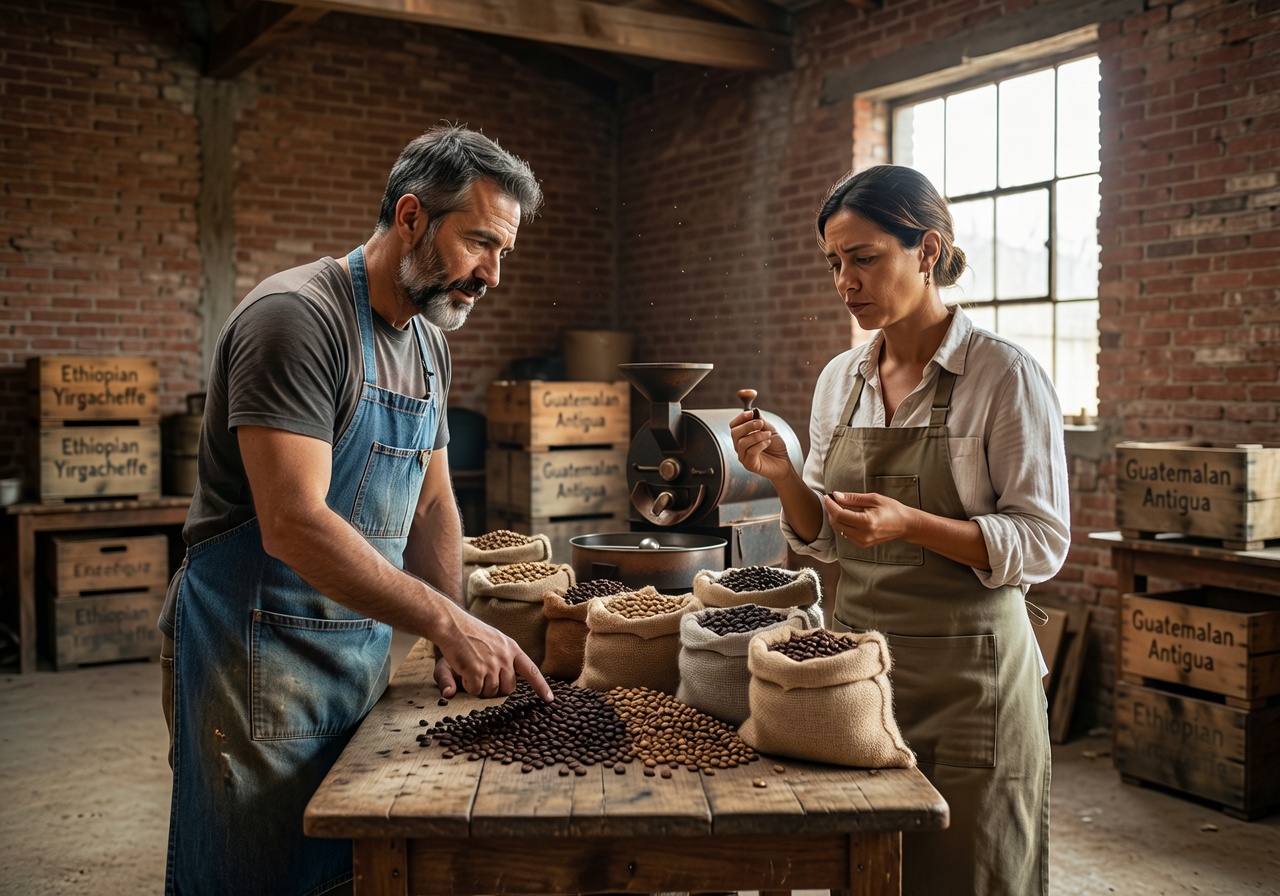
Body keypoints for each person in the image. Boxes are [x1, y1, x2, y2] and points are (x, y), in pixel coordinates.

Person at [158, 124, 554, 896]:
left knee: (348, 872)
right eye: (479, 243)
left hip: (356, 650)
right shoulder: (298, 320)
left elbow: (434, 500)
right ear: (411, 217)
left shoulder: (428, 341)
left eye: (503, 251)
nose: (493, 275)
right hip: (254, 655)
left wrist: (449, 617)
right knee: (254, 872)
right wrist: (446, 623)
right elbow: (294, 522)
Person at [730, 164, 1069, 895]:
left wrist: (914, 523)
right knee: (869, 869)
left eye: (864, 258)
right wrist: (785, 475)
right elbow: (822, 536)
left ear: (926, 250)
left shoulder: (1001, 375)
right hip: (859, 672)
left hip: (971, 680)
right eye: (833, 263)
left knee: (969, 869)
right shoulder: (840, 379)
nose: (845, 282)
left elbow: (1041, 541)